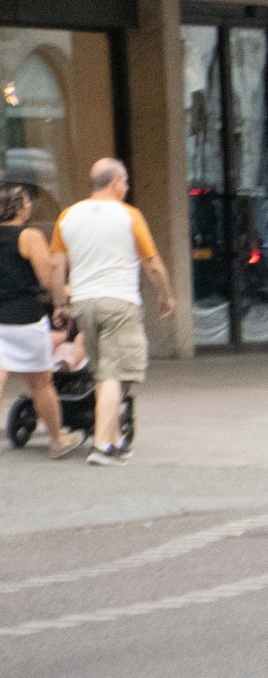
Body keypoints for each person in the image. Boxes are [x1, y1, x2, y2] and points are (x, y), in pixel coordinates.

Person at [52, 157, 172, 466]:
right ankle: (103, 446)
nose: (127, 188)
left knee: (104, 371)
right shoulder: (128, 215)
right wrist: (166, 296)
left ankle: (116, 439)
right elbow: (153, 263)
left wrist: (60, 304)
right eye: (126, 183)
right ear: (115, 182)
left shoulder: (68, 216)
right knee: (114, 374)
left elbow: (56, 265)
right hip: (119, 301)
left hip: (84, 303)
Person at [0, 182, 82, 459]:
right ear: (18, 206)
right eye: (26, 201)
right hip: (25, 319)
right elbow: (48, 281)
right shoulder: (30, 237)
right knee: (41, 384)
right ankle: (58, 440)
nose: (30, 205)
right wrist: (64, 297)